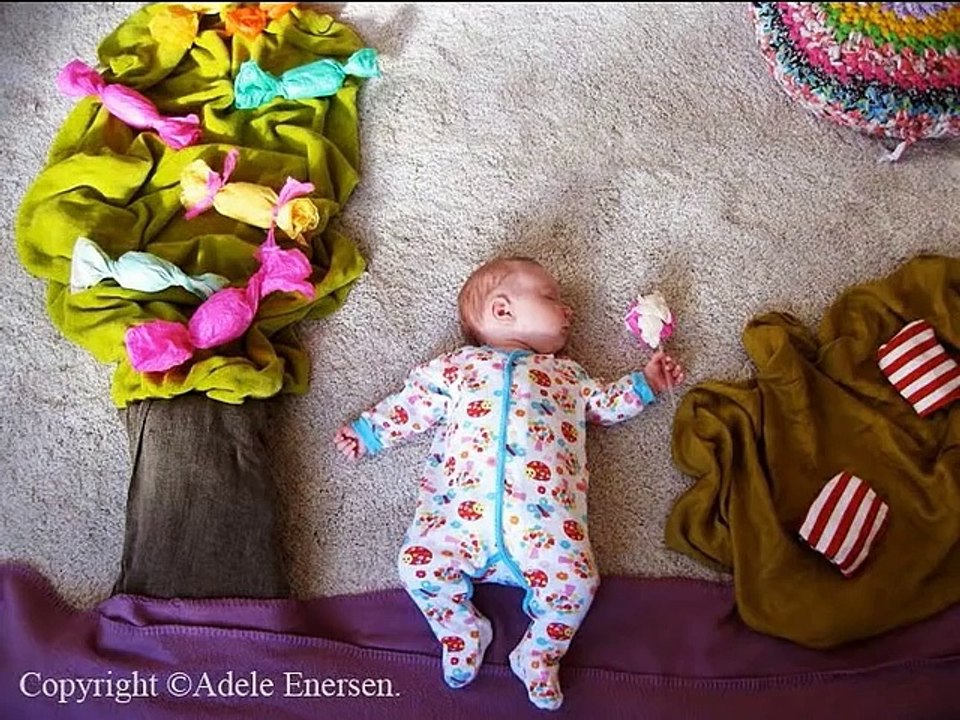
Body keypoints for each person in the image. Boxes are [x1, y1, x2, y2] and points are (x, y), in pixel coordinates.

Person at [334, 256, 684, 710]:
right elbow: (413, 403)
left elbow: (603, 403)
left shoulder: (567, 376)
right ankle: (460, 629)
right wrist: (368, 432)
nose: (569, 311)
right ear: (502, 311)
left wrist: (645, 384)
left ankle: (538, 653)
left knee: (578, 583)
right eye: (553, 299)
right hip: (457, 521)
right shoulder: (457, 367)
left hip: (546, 527)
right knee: (416, 566)